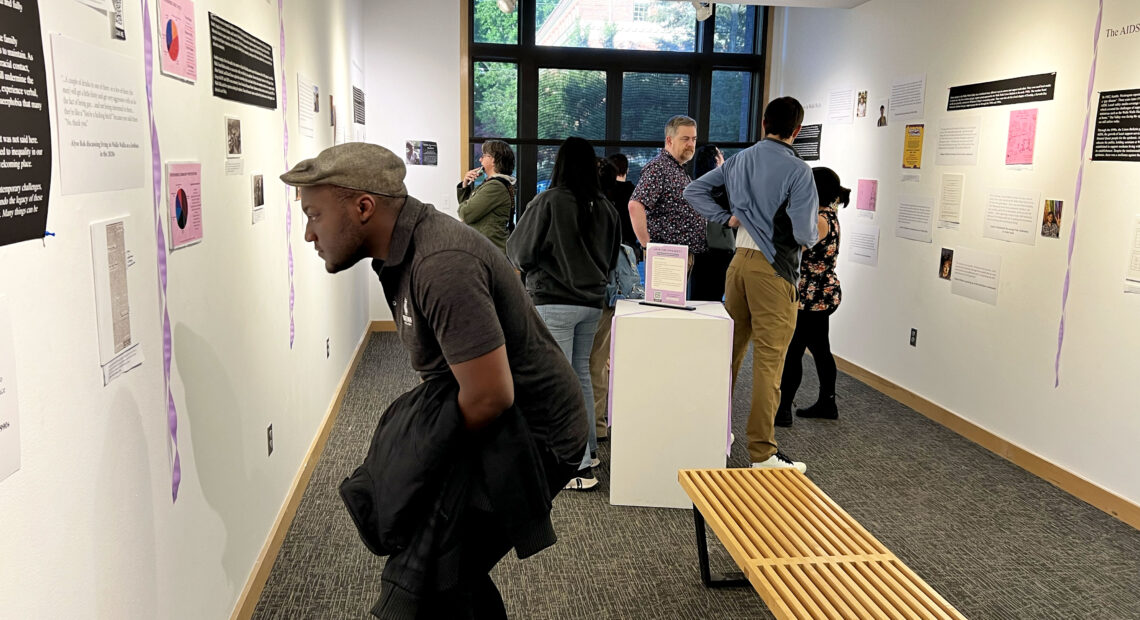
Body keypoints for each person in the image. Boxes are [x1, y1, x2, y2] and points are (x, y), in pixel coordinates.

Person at [281, 142, 587, 616]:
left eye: (314, 215)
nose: (308, 234)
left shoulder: (439, 262)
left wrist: (418, 454)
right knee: (443, 576)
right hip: (494, 420)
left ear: (363, 207)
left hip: (535, 434)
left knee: (427, 578)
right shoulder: (402, 251)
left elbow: (491, 395)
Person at [684, 97, 818, 473]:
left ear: (763, 123)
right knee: (769, 364)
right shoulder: (799, 170)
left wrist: (727, 219)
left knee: (729, 353)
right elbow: (806, 232)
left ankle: (714, 432)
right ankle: (762, 453)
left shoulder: (739, 160)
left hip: (738, 264)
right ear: (797, 130)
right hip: (774, 269)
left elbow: (693, 192)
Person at [508, 137, 620, 491]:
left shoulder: (548, 201)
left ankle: (577, 467)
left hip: (552, 302)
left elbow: (519, 252)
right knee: (581, 378)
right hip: (592, 304)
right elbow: (614, 257)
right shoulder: (606, 208)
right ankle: (587, 451)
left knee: (556, 385)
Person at [775, 168, 850, 426]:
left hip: (812, 297)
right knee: (820, 349)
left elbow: (796, 248)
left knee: (794, 351)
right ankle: (827, 402)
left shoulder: (819, 220)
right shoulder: (829, 216)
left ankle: (783, 409)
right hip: (819, 294)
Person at [629, 115, 706, 269]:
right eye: (685, 139)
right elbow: (635, 205)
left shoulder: (676, 169)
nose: (691, 144)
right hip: (667, 257)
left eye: (694, 139)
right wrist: (648, 247)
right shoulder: (659, 168)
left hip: (680, 255)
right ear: (670, 140)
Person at [689, 144, 735, 302]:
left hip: (698, 249)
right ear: (716, 159)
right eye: (720, 154)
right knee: (715, 296)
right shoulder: (724, 187)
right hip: (721, 249)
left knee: (698, 295)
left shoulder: (695, 186)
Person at [457, 140, 517, 252]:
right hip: (487, 248)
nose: (480, 159)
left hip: (490, 250)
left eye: (484, 156)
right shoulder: (492, 183)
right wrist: (465, 184)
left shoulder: (495, 186)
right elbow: (468, 208)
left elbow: (466, 214)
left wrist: (463, 210)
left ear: (493, 159)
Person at [606, 153, 639, 259]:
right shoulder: (635, 192)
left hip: (606, 245)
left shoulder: (603, 192)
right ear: (627, 170)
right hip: (628, 246)